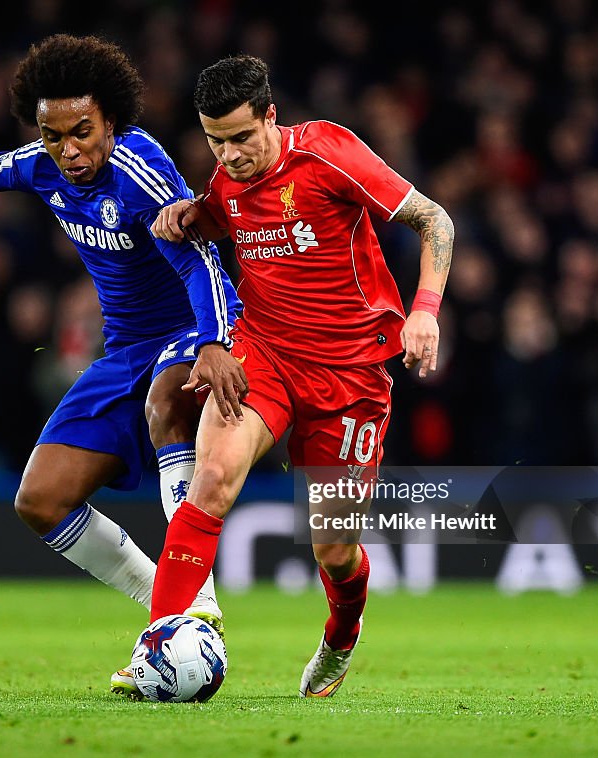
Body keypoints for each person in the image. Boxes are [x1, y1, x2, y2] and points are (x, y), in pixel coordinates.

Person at [0, 35, 247, 694]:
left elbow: (198, 259)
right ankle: (167, 608)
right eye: (54, 136)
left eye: (83, 132)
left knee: (166, 403)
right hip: (125, 351)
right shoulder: (44, 165)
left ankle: (192, 602)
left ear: (111, 120)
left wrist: (213, 343)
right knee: (40, 500)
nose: (70, 151)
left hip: (192, 329)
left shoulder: (142, 169)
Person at [146, 55, 454, 697]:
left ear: (270, 116)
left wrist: (424, 313)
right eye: (215, 141)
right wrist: (178, 218)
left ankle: (341, 639)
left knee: (334, 552)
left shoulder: (327, 154)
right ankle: (159, 647)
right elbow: (212, 217)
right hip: (265, 356)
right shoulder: (227, 183)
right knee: (212, 479)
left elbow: (435, 220)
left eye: (240, 137)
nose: (229, 156)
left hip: (352, 376)